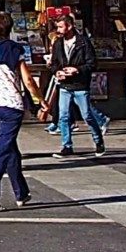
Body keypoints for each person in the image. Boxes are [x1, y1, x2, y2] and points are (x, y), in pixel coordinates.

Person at [0, 11, 51, 211]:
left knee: (10, 148)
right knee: (3, 151)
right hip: (12, 106)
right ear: (9, 28)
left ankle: (21, 193)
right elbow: (28, 81)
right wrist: (41, 100)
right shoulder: (15, 49)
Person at [47, 12, 109, 157]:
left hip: (80, 84)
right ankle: (66, 145)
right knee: (63, 116)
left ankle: (98, 141)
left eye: (61, 27)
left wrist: (77, 70)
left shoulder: (83, 42)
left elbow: (92, 63)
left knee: (87, 115)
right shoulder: (58, 43)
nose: (59, 30)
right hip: (64, 85)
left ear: (69, 26)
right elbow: (54, 63)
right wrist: (57, 72)